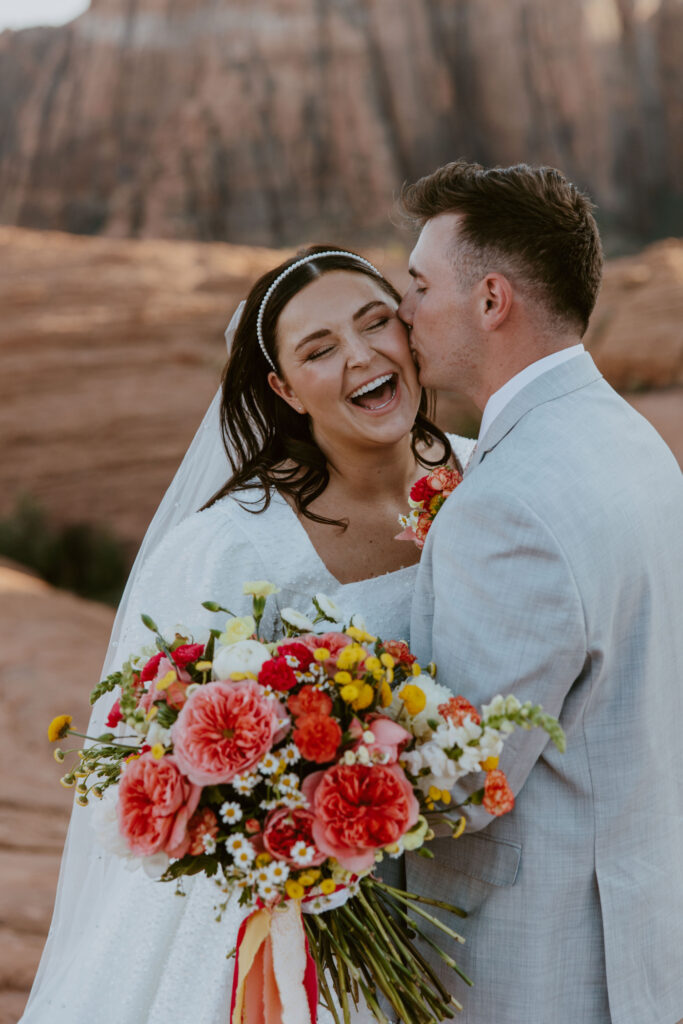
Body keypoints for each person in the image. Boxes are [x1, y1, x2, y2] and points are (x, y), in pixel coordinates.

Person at [20, 245, 475, 1024]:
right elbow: (148, 750)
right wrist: (277, 811)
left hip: (468, 889)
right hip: (295, 920)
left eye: (376, 324)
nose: (361, 355)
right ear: (283, 389)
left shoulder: (486, 478)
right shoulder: (232, 545)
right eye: (319, 349)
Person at [400, 161, 683, 1024]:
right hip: (635, 919)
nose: (401, 313)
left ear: (491, 300)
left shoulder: (508, 503)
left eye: (417, 285)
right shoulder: (629, 440)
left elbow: (465, 782)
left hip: (540, 966)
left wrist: (289, 779)